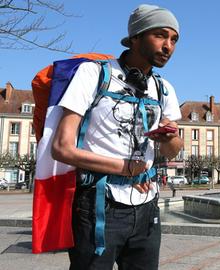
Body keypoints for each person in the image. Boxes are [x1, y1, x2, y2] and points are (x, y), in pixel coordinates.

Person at [51, 4, 183, 269]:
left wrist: (170, 138)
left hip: (147, 209)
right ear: (135, 36)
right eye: (160, 35)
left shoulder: (163, 88)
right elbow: (61, 147)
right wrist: (126, 169)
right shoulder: (94, 74)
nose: (169, 45)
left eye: (174, 39)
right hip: (99, 205)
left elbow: (173, 152)